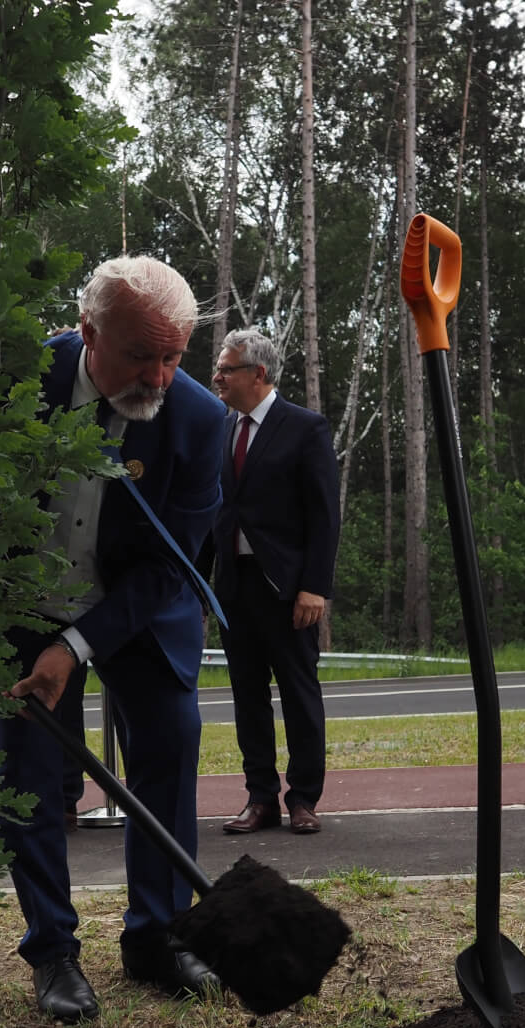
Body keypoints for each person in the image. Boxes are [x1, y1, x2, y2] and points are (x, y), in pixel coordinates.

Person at [0, 255, 231, 1023]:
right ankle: (54, 951)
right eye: (140, 354)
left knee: (169, 743)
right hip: (24, 602)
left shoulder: (197, 419)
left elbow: (171, 566)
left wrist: (80, 644)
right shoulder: (14, 378)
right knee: (28, 776)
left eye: (174, 356)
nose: (159, 377)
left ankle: (157, 938)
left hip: (136, 609)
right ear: (88, 331)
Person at [207, 329, 339, 836]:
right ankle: (259, 798)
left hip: (287, 590)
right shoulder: (221, 429)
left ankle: (303, 797)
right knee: (247, 696)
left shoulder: (304, 428)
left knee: (299, 694)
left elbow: (325, 515)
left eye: (227, 369)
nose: (217, 376)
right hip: (234, 587)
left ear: (257, 374)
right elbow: (214, 510)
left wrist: (314, 587)